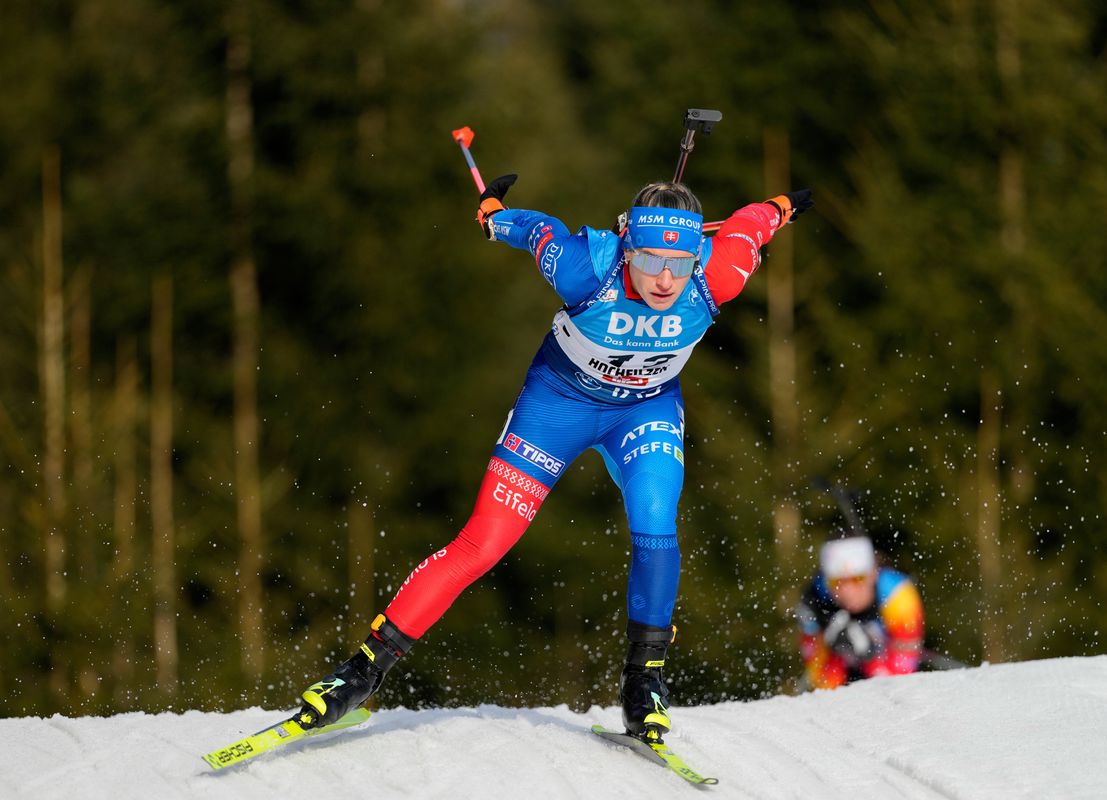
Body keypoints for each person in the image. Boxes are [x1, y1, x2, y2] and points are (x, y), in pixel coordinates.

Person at [294, 171, 813, 741]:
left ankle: (644, 683)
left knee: (656, 521)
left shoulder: (718, 274)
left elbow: (749, 225)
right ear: (628, 249)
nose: (666, 280)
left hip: (644, 410)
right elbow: (538, 230)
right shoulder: (586, 267)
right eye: (649, 262)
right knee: (483, 543)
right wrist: (495, 217)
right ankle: (359, 674)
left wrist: (782, 204)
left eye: (681, 264)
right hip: (557, 407)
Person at [795, 535, 925, 689]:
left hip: (884, 668)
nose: (847, 591)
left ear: (873, 574)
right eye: (836, 581)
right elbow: (820, 681)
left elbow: (900, 678)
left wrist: (869, 656)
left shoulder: (898, 595)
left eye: (858, 579)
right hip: (844, 676)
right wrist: (833, 650)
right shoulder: (814, 600)